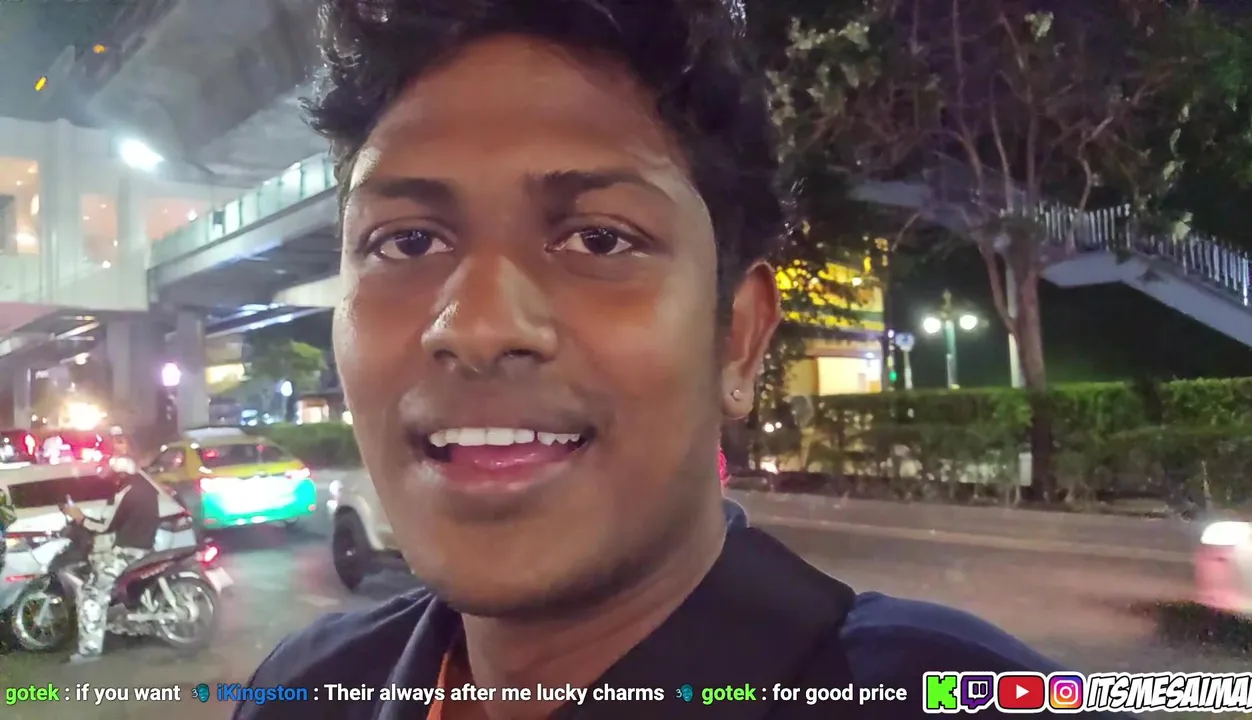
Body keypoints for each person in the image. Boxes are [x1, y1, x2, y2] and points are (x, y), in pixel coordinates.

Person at [236, 2, 1129, 718]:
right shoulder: (299, 691)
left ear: (738, 337)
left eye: (598, 238)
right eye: (406, 242)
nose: (475, 326)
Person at [62, 467, 161, 663]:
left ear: (121, 474)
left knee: (91, 592)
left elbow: (105, 526)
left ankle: (89, 650)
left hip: (128, 551)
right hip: (146, 547)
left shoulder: (126, 491)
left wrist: (80, 518)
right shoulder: (148, 487)